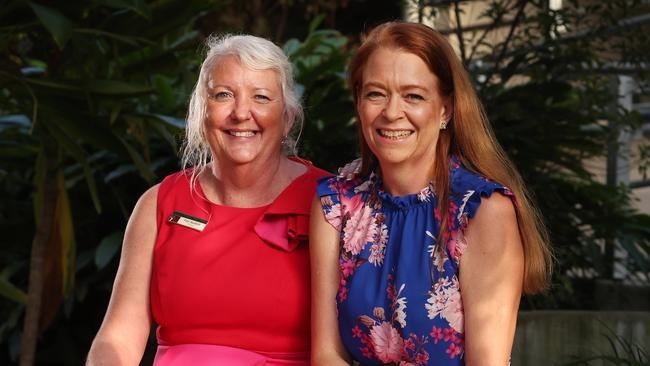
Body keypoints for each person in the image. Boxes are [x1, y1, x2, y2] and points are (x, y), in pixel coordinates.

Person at [310, 22, 553, 365]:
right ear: (359, 103)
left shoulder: (482, 210)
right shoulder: (337, 203)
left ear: (446, 110)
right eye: (376, 93)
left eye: (413, 96)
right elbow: (327, 354)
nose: (392, 112)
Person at [87, 34, 329, 365]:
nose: (241, 113)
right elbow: (118, 337)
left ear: (287, 117)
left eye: (261, 97)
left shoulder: (331, 201)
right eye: (223, 95)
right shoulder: (158, 203)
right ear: (201, 111)